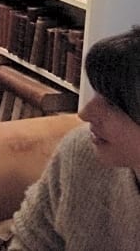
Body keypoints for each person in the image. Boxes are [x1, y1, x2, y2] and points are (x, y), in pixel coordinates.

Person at [8, 26, 140, 250]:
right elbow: (31, 239)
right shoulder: (82, 150)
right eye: (97, 92)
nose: (85, 114)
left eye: (113, 104)